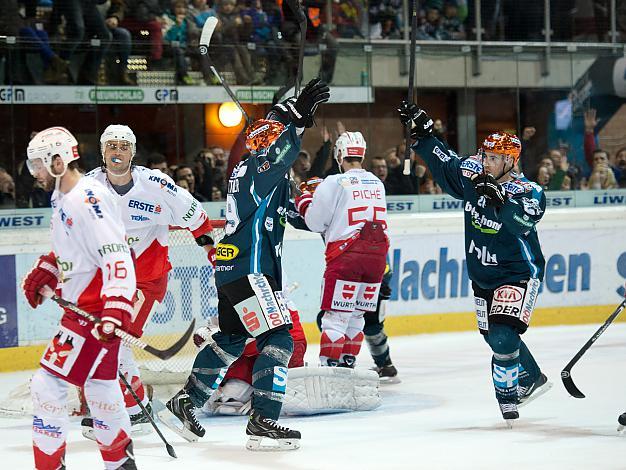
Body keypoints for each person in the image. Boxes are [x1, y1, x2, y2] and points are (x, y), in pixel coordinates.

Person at [158, 78, 330, 450]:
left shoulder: (269, 181)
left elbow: (298, 216)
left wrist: (319, 209)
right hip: (250, 270)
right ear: (263, 147)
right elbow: (283, 152)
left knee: (232, 338)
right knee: (279, 337)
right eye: (271, 143)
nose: (278, 150)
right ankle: (263, 420)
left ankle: (186, 401)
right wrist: (296, 119)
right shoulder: (255, 168)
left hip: (233, 268)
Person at [398, 101, 552, 425]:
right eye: (485, 155)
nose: (486, 161)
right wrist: (426, 135)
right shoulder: (475, 173)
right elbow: (448, 166)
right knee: (492, 336)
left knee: (502, 338)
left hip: (518, 273)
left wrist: (501, 202)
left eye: (494, 158)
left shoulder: (530, 191)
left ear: (510, 160)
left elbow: (520, 223)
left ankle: (507, 400)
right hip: (482, 276)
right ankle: (534, 376)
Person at [83, 124, 215, 436]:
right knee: (103, 339)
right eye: (111, 146)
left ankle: (134, 408)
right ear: (103, 151)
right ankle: (126, 406)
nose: (117, 151)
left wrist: (212, 252)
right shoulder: (88, 187)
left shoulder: (156, 185)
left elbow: (197, 217)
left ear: (133, 151)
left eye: (123, 146)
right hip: (109, 279)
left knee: (117, 336)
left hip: (146, 279)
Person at [22, 127, 138, 469]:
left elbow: (117, 255)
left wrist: (116, 307)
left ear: (58, 160)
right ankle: (120, 464)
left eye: (37, 165)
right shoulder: (62, 197)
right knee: (101, 387)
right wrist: (50, 267)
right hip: (86, 310)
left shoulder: (89, 198)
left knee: (47, 385)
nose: (34, 174)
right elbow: (77, 250)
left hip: (93, 313)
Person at [295, 131, 389, 368]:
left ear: (339, 154)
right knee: (357, 316)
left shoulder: (335, 181)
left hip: (347, 257)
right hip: (377, 258)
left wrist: (304, 200)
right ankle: (348, 364)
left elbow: (315, 222)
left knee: (335, 317)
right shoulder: (377, 183)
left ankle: (330, 366)